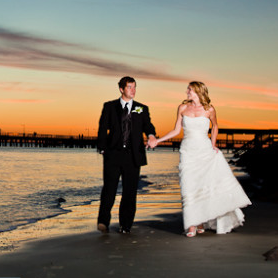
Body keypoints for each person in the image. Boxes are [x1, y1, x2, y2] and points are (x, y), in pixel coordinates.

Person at [154, 81, 251, 237]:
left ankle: (199, 221)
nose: (187, 92)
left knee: (203, 185)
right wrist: (158, 141)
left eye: (190, 90)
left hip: (204, 151)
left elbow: (215, 126)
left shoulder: (209, 109)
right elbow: (176, 130)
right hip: (187, 152)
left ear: (198, 92)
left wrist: (213, 144)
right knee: (188, 185)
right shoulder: (182, 108)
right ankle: (192, 224)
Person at [96, 76, 158, 234]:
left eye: (135, 87)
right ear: (121, 89)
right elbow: (103, 128)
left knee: (130, 192)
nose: (133, 90)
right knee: (109, 189)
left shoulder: (140, 108)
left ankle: (126, 225)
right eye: (130, 87)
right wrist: (103, 148)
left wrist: (151, 135)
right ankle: (103, 221)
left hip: (133, 156)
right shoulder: (110, 106)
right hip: (113, 155)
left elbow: (148, 124)